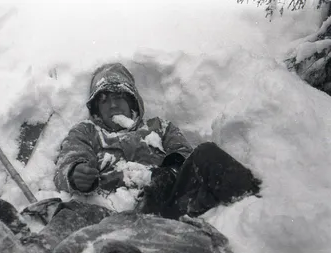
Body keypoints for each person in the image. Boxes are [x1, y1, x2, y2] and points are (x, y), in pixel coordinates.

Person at [54, 62, 261, 218]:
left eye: (118, 97)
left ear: (131, 100)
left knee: (208, 154)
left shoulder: (159, 127)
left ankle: (257, 214)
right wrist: (75, 173)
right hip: (112, 212)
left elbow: (185, 155)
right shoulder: (87, 131)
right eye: (104, 100)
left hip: (167, 202)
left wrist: (168, 173)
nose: (112, 105)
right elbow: (70, 157)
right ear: (96, 109)